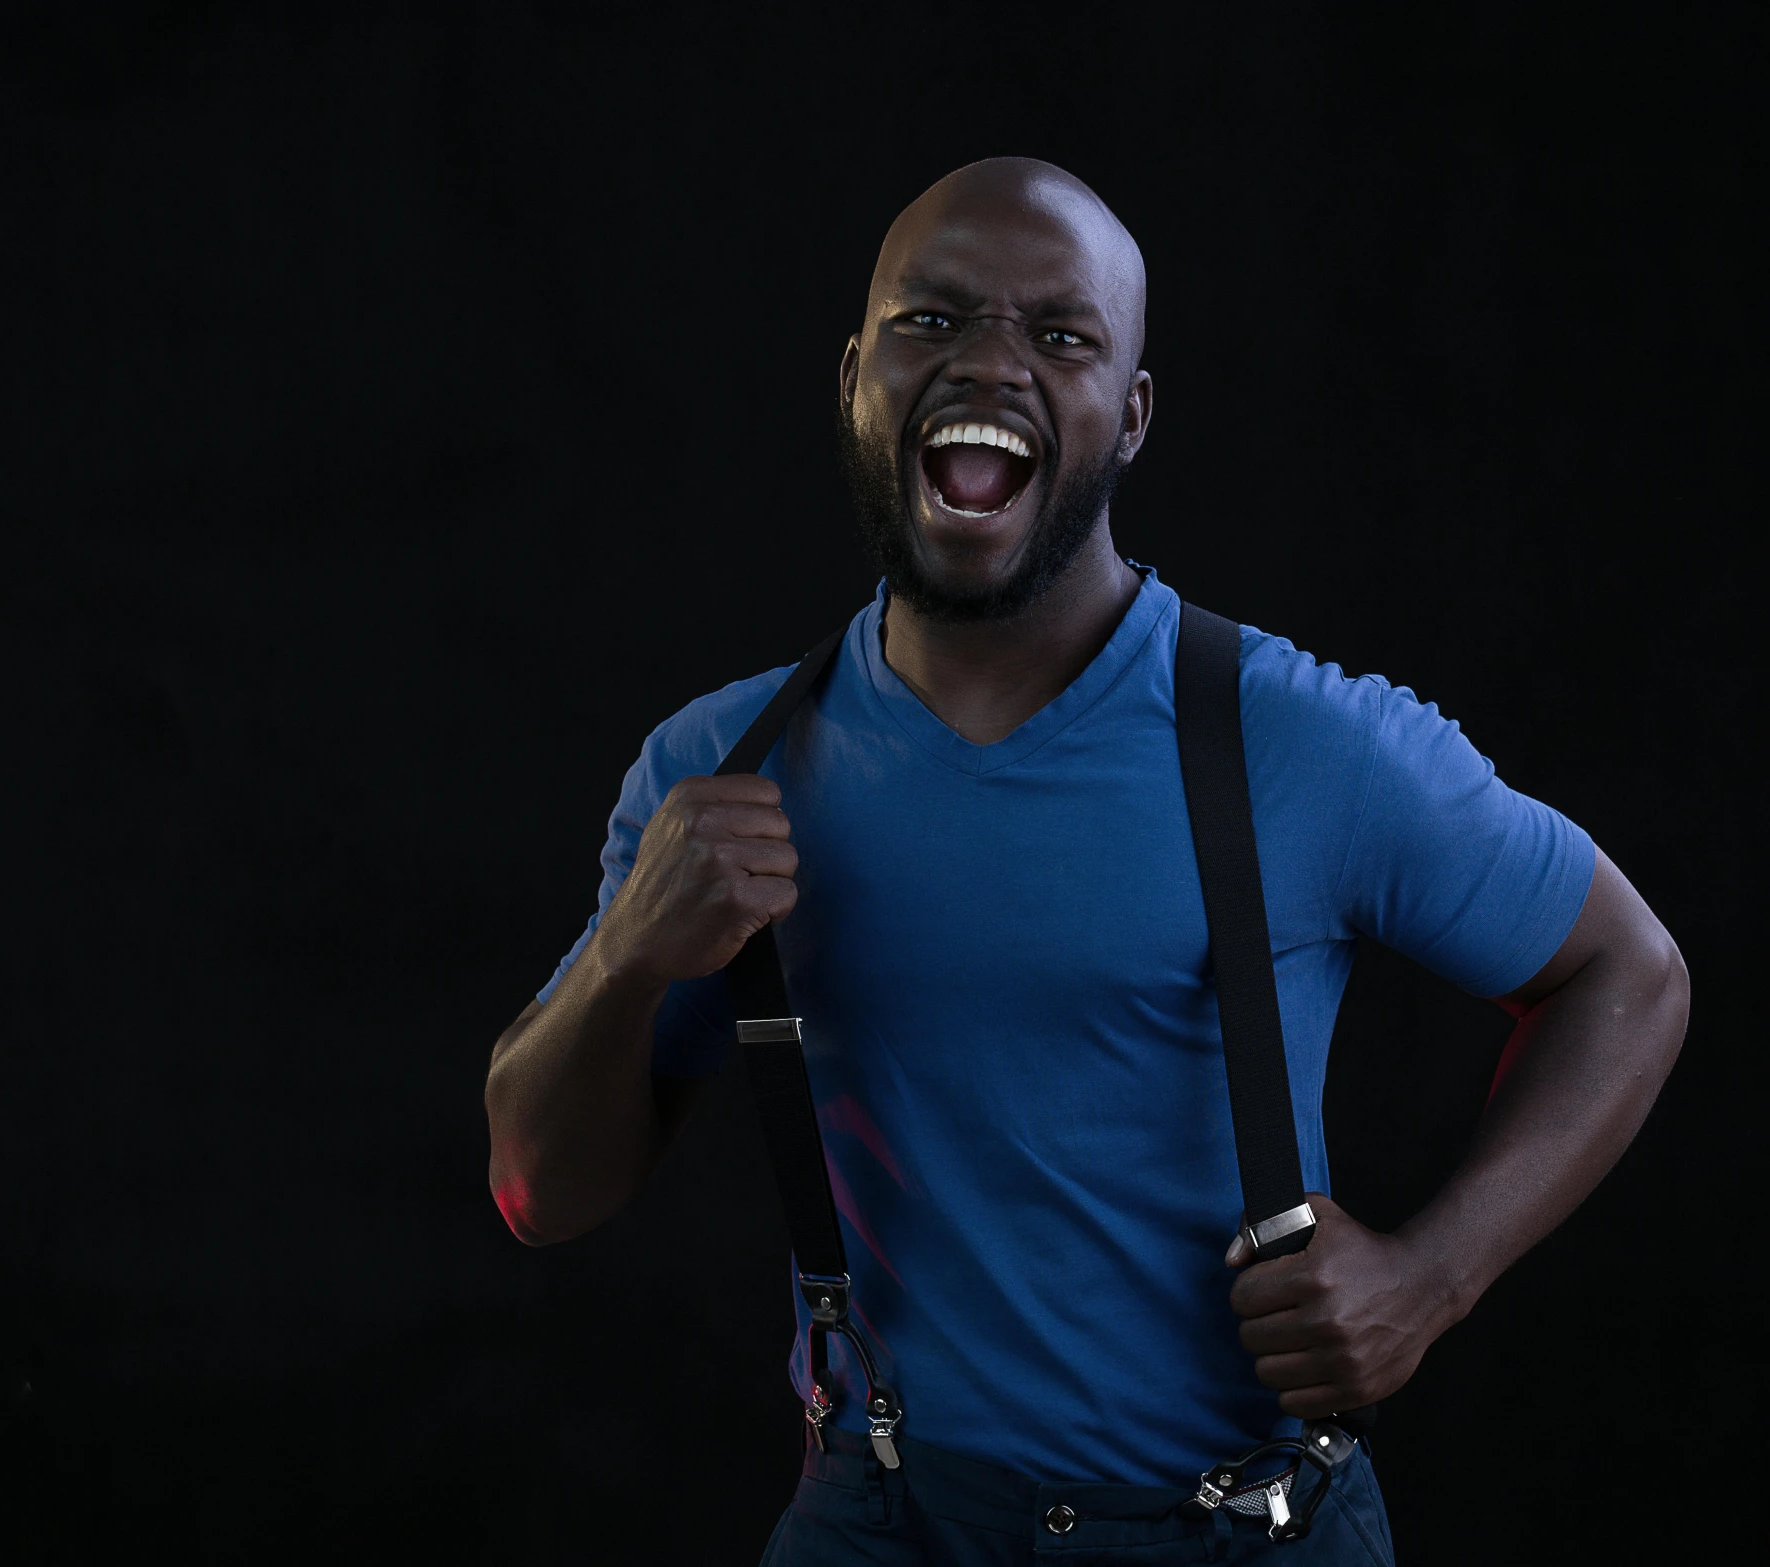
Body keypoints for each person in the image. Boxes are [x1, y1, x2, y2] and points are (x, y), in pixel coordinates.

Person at [483, 157, 1690, 1564]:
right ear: (853, 376)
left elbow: (1630, 971)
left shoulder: (1298, 742)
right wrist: (632, 953)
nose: (988, 362)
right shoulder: (718, 766)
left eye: (1058, 336)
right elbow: (538, 1191)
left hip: (1236, 1526)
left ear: (1130, 415)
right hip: (885, 1517)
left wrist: (1434, 1274)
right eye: (930, 320)